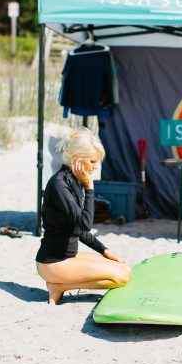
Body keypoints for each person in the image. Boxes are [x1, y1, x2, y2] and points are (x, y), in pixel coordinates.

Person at [37, 128, 131, 304]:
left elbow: (79, 230)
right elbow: (86, 223)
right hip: (52, 262)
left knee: (124, 268)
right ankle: (59, 286)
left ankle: (59, 285)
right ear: (77, 159)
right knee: (122, 278)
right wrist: (90, 187)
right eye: (93, 161)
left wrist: (105, 251)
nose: (96, 166)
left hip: (67, 257)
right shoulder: (60, 185)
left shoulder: (72, 181)